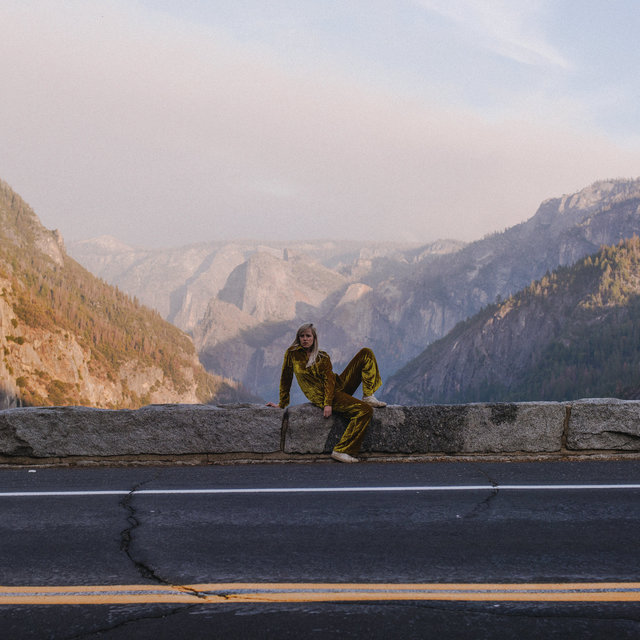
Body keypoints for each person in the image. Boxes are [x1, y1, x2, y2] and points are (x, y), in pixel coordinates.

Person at [266, 323, 386, 463]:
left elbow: (329, 380)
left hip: (336, 386)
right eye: (302, 336)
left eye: (308, 336)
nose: (305, 339)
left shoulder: (322, 356)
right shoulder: (292, 354)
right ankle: (342, 450)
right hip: (321, 395)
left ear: (314, 338)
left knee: (366, 353)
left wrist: (328, 403)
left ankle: (368, 395)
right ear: (298, 338)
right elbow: (286, 378)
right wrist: (282, 404)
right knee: (365, 411)